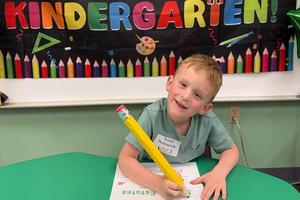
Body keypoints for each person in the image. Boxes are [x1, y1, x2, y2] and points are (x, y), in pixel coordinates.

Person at [118, 54, 239, 200]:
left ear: (205, 108)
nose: (186, 96)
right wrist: (157, 183)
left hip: (192, 183)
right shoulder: (152, 115)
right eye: (183, 85)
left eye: (197, 95)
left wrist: (218, 174)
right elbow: (125, 159)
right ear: (170, 83)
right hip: (152, 181)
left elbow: (231, 150)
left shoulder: (208, 120)